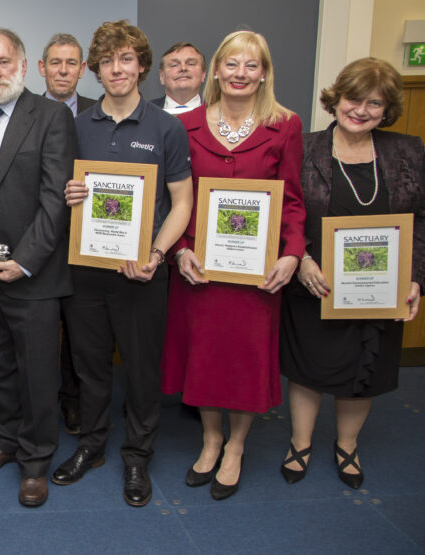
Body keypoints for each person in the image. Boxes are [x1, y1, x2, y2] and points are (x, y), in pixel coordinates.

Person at [161, 30, 306, 501]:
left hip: (256, 273)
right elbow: (177, 201)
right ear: (216, 71)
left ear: (264, 72)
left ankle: (237, 446)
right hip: (200, 267)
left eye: (251, 65)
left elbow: (294, 202)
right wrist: (181, 249)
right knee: (204, 357)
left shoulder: (285, 125)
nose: (240, 74)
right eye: (232, 64)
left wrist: (292, 253)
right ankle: (210, 440)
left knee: (244, 362)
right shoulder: (186, 125)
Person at [60, 20, 193, 507]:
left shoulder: (166, 127)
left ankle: (137, 455)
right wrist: (68, 193)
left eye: (126, 59)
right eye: (107, 61)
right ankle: (92, 444)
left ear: (141, 65)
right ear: (96, 69)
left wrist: (156, 254)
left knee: (140, 371)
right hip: (85, 272)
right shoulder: (74, 125)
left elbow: (183, 202)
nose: (117, 69)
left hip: (142, 274)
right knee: (89, 366)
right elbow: (62, 191)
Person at [279, 57, 424, 489]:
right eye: (353, 98)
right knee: (309, 367)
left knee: (366, 367)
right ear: (336, 98)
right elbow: (285, 211)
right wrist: (301, 259)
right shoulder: (304, 148)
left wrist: (415, 277)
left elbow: (421, 218)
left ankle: (347, 445)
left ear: (387, 109)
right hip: (315, 282)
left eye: (374, 103)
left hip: (378, 288)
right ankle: (300, 443)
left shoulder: (408, 151)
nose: (360, 110)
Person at [0, 27, 75, 507]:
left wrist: (23, 262)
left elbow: (54, 202)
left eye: (3, 61)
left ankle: (35, 460)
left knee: (38, 373)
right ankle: (4, 440)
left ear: (24, 66)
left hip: (33, 276)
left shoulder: (51, 118)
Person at [36, 32, 96, 435]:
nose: (62, 70)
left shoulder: (97, 114)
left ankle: (74, 401)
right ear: (41, 68)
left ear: (83, 69)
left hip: (87, 242)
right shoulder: (25, 113)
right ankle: (39, 402)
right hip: (39, 239)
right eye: (55, 62)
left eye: (71, 63)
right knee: (40, 332)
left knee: (80, 332)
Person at [152, 42, 206, 114]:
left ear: (203, 74)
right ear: (162, 76)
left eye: (191, 64)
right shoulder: (145, 113)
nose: (183, 68)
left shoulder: (219, 112)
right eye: (174, 65)